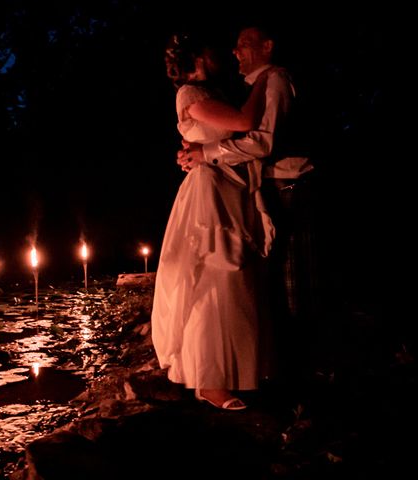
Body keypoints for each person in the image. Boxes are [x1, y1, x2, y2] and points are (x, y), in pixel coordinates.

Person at [178, 24, 320, 384]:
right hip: (248, 187)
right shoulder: (224, 90)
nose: (235, 52)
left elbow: (263, 141)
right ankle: (272, 367)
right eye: (234, 46)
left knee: (291, 281)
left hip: (287, 184)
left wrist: (206, 152)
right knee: (253, 276)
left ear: (268, 46)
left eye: (244, 45)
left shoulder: (274, 81)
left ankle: (303, 371)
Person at [151, 32, 275, 410]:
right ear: (198, 57)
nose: (224, 53)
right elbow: (244, 121)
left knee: (233, 276)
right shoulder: (190, 95)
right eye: (212, 48)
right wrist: (267, 78)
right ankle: (209, 380)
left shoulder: (212, 94)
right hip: (207, 193)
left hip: (227, 186)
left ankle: (237, 369)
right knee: (213, 276)